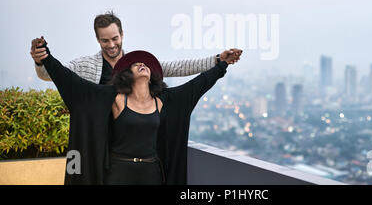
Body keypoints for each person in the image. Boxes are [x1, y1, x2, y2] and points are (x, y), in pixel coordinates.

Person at [32, 36, 240, 185]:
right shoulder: (113, 99)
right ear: (125, 74)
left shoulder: (164, 102)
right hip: (117, 175)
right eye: (136, 64)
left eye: (145, 64)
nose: (142, 64)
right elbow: (72, 83)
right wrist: (46, 58)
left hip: (152, 175)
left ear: (153, 75)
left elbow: (198, 84)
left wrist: (222, 64)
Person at [30, 11, 242, 84]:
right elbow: (52, 75)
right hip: (101, 138)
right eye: (105, 41)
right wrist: (41, 60)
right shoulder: (86, 65)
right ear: (97, 40)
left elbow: (176, 67)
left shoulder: (138, 62)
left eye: (115, 38)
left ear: (122, 35)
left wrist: (217, 59)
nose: (111, 45)